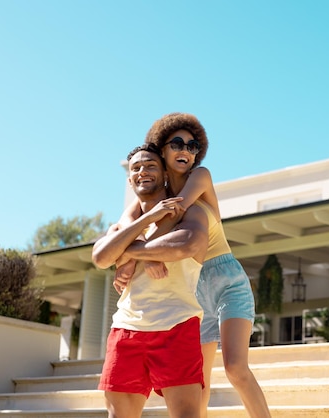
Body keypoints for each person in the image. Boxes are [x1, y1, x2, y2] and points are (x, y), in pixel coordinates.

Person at [118, 113, 272, 418]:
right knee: (198, 382)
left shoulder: (199, 178)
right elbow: (124, 227)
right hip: (191, 291)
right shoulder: (153, 194)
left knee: (236, 368)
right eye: (177, 144)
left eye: (193, 145)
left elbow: (176, 213)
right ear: (161, 149)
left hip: (228, 282)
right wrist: (129, 256)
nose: (186, 150)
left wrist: (136, 256)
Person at [92, 143, 213, 418]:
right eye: (136, 167)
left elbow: (187, 245)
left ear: (165, 173)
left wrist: (130, 253)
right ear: (129, 178)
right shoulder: (124, 226)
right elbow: (100, 258)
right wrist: (149, 219)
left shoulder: (190, 212)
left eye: (150, 165)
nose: (142, 171)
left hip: (177, 325)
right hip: (126, 330)